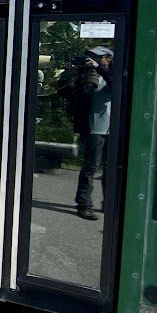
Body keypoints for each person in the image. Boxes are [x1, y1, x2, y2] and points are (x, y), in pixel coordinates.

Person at [58, 46, 113, 221]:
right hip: (94, 128)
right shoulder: (88, 75)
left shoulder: (108, 74)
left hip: (112, 128)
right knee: (90, 168)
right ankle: (84, 204)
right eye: (105, 58)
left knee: (111, 169)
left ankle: (109, 202)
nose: (107, 61)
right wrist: (86, 73)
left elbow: (116, 84)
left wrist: (99, 69)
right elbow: (82, 94)